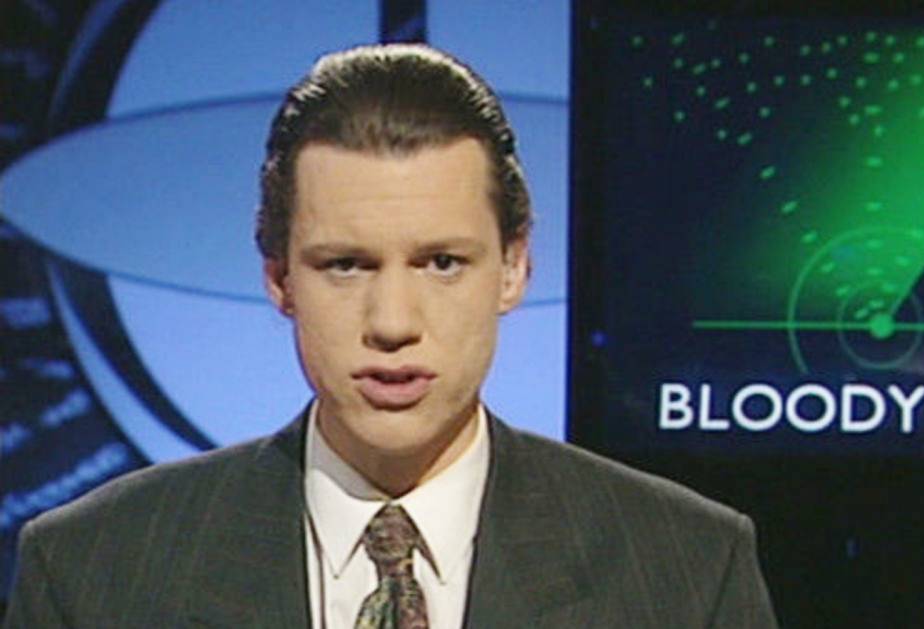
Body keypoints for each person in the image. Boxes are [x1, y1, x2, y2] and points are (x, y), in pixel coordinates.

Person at [2, 44, 777, 628]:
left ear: (514, 268)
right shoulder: (94, 569)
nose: (394, 323)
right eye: (345, 265)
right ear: (278, 277)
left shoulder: (686, 570)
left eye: (442, 262)